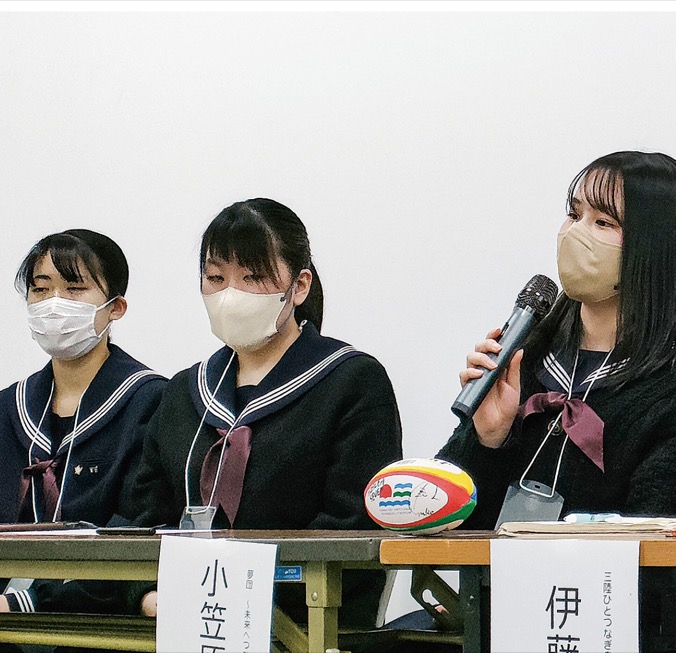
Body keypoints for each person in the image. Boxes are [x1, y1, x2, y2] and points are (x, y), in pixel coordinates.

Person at [437, 151, 676, 648]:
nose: (576, 233)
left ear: (655, 248)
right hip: (510, 620)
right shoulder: (524, 355)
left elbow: (659, 548)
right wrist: (487, 440)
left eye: (603, 222)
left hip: (628, 629)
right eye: (573, 214)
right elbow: (446, 515)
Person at [120, 198, 403, 627]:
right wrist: (145, 593)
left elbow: (355, 523)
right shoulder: (183, 392)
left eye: (252, 277)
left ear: (299, 286)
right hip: (183, 621)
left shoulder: (351, 380)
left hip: (306, 623)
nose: (230, 296)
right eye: (216, 278)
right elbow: (144, 519)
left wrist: (237, 595)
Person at [0, 229, 166, 615]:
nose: (54, 304)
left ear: (115, 307)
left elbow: (136, 532)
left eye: (74, 289)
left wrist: (24, 602)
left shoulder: (149, 401)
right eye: (41, 289)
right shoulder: (9, 407)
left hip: (94, 614)